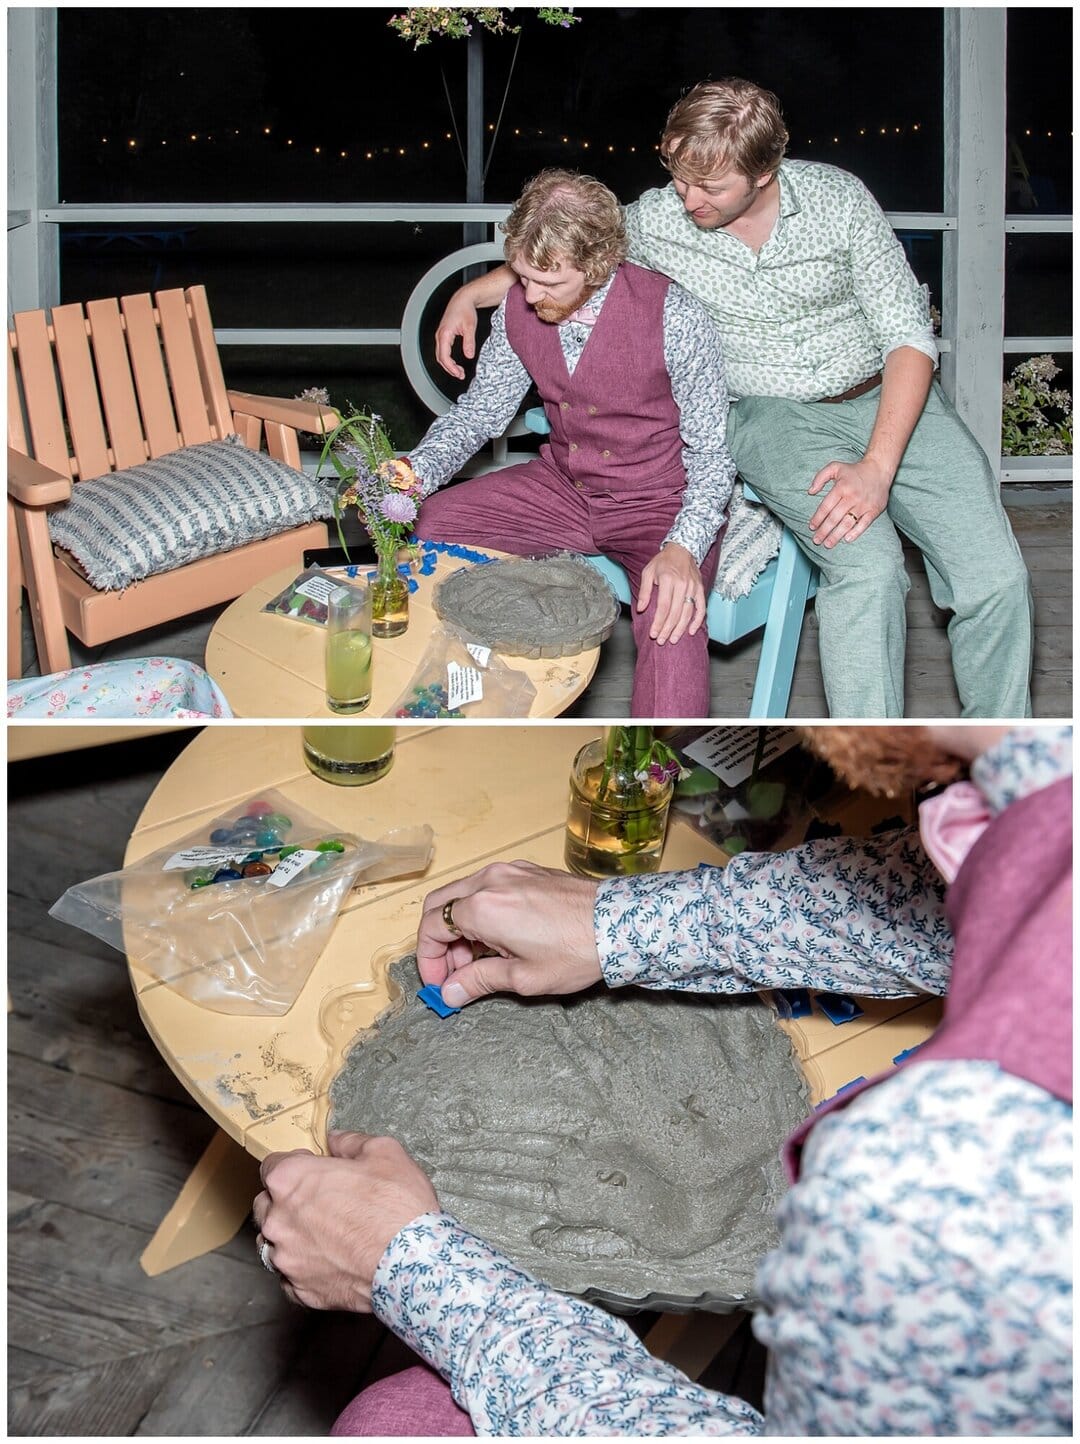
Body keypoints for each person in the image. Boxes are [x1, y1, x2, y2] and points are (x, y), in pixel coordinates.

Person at [252, 724, 1071, 1436]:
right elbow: (966, 894)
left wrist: (414, 1275)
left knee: (392, 1418)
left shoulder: (945, 1197)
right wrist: (618, 923)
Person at [434, 80, 1034, 720]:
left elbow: (908, 339)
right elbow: (572, 249)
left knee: (995, 578)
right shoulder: (664, 214)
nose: (689, 199)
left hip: (890, 394)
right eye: (679, 177)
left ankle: (1002, 749)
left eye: (711, 187)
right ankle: (869, 763)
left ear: (764, 172)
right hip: (775, 417)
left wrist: (878, 468)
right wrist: (474, 292)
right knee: (869, 569)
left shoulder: (839, 201)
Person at [396, 167, 737, 717]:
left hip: (658, 502)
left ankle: (659, 763)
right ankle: (439, 690)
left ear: (598, 266)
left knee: (672, 623)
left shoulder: (675, 316)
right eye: (522, 276)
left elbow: (712, 454)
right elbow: (480, 414)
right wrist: (415, 473)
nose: (530, 295)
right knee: (428, 525)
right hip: (563, 487)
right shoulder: (518, 305)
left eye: (549, 284)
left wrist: (684, 548)